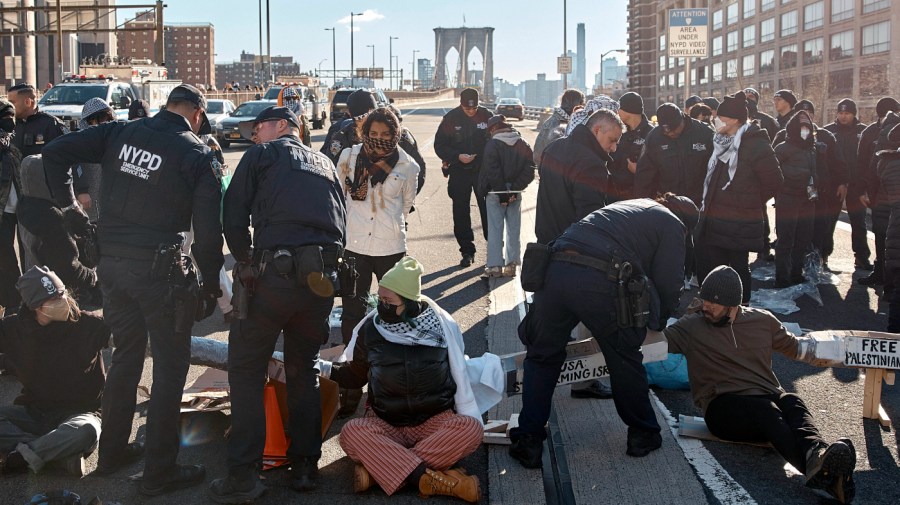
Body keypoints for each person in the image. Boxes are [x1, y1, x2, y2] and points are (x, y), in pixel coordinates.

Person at [41, 84, 224, 496]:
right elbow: (209, 229)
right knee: (170, 366)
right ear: (196, 112)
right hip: (158, 270)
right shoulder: (195, 153)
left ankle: (111, 455)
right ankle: (160, 472)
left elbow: (52, 154)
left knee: (125, 355)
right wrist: (210, 283)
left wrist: (71, 214)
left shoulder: (121, 132)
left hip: (111, 264)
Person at [208, 105, 347, 503]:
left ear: (283, 126)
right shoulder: (325, 162)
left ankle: (243, 476)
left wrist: (246, 260)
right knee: (303, 371)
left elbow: (231, 215)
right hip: (319, 283)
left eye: (259, 127)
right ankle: (305, 467)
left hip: (272, 279)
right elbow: (342, 224)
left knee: (247, 371)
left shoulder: (263, 156)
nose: (253, 135)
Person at [509, 195, 699, 468]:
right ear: (687, 226)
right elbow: (669, 282)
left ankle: (528, 441)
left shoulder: (632, 207)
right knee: (624, 356)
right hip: (600, 280)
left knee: (541, 357)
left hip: (554, 269)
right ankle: (642, 433)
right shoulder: (672, 225)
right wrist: (657, 323)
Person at [663, 266, 856, 504]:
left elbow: (796, 348)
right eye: (704, 300)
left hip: (767, 395)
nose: (706, 307)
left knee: (792, 400)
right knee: (767, 411)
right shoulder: (692, 326)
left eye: (714, 303)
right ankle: (820, 470)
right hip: (721, 406)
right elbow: (656, 346)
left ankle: (820, 456)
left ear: (733, 305)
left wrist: (849, 350)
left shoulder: (763, 321)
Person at [329, 256, 499, 502]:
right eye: (380, 298)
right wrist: (325, 370)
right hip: (386, 422)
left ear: (409, 303)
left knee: (471, 429)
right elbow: (356, 375)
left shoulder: (441, 329)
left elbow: (459, 372)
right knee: (351, 433)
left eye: (388, 301)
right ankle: (431, 479)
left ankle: (380, 472)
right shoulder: (371, 329)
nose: (381, 306)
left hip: (434, 421)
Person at [535, 107, 625, 400]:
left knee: (549, 323)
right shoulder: (591, 164)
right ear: (597, 130)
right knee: (587, 319)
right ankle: (583, 381)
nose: (613, 149)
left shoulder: (554, 148)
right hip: (577, 252)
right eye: (612, 140)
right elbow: (590, 218)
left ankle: (540, 383)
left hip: (547, 243)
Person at [335, 107, 419, 416]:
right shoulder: (348, 156)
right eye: (374, 134)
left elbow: (407, 204)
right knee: (352, 315)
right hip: (354, 246)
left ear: (396, 135)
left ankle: (388, 386)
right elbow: (339, 195)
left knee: (394, 316)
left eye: (386, 135)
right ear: (365, 131)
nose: (379, 140)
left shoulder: (407, 166)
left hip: (390, 248)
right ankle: (351, 386)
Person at [0, 267, 110, 478]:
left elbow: (129, 341)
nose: (62, 302)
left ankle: (24, 456)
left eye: (62, 294)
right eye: (53, 299)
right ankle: (57, 455)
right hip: (35, 413)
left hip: (80, 414)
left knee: (86, 432)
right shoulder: (15, 328)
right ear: (34, 308)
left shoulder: (88, 324)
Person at [695, 91, 783, 303]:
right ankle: (717, 310)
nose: (715, 120)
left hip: (740, 219)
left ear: (733, 119)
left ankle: (740, 310)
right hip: (715, 217)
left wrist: (749, 199)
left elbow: (775, 181)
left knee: (738, 268)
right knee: (715, 268)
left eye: (719, 116)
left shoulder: (755, 143)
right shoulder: (719, 141)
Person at [773, 101, 847, 270]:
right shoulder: (783, 138)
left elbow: (838, 163)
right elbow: (772, 169)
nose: (804, 117)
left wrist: (842, 183)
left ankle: (818, 262)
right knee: (788, 236)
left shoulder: (825, 137)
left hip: (817, 195)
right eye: (800, 112)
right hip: (789, 196)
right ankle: (787, 271)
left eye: (808, 113)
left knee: (818, 231)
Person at [16, 155, 100, 304]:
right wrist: (93, 277)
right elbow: (68, 269)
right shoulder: (52, 219)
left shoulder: (25, 204)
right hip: (65, 296)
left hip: (39, 288)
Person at [323, 90, 426, 195]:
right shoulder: (343, 138)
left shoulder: (399, 135)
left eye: (367, 116)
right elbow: (329, 172)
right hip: (355, 205)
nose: (364, 122)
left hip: (392, 203)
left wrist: (403, 201)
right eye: (358, 118)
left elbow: (419, 169)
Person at [434, 88, 493, 267]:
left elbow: (496, 141)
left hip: (482, 171)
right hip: (459, 170)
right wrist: (457, 156)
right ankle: (467, 251)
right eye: (467, 109)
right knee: (460, 211)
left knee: (488, 210)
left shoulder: (487, 116)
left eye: (474, 108)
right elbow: (440, 145)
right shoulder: (450, 118)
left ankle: (494, 249)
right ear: (461, 105)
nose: (471, 111)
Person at [477, 115, 535, 277]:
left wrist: (503, 194)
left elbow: (492, 171)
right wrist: (515, 190)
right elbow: (529, 169)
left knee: (495, 229)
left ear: (494, 129)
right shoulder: (523, 144)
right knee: (514, 228)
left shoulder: (492, 145)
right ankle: (512, 266)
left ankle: (495, 267)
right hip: (516, 193)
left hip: (495, 192)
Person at [634, 103, 713, 207]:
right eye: (665, 131)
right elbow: (644, 176)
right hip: (668, 205)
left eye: (674, 129)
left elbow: (715, 172)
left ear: (682, 120)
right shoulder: (654, 138)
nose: (670, 133)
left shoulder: (704, 133)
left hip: (699, 204)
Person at [772, 111, 818, 287]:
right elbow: (774, 173)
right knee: (785, 239)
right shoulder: (782, 148)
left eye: (807, 128)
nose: (804, 132)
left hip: (807, 199)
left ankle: (796, 273)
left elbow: (814, 172)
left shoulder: (811, 149)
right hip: (788, 197)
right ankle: (782, 277)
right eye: (801, 128)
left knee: (803, 239)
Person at [858, 97, 900, 286]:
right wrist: (864, 190)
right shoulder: (870, 132)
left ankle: (887, 277)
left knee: (888, 237)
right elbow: (862, 164)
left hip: (885, 194)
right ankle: (881, 272)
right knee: (882, 235)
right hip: (880, 194)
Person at [824, 99, 870, 271]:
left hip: (857, 185)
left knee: (859, 222)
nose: (843, 117)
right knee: (829, 222)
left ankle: (861, 257)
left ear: (854, 114)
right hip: (835, 185)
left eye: (847, 113)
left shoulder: (863, 131)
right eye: (841, 113)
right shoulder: (828, 131)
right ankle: (824, 255)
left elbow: (866, 160)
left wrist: (864, 186)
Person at [73, 98, 116, 223]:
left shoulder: (114, 137)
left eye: (108, 118)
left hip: (111, 203)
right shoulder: (81, 141)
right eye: (102, 118)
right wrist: (82, 191)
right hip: (89, 200)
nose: (106, 122)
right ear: (90, 121)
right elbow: (77, 166)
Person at [608, 91, 652, 202]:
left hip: (639, 199)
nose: (616, 112)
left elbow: (660, 169)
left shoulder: (651, 134)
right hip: (614, 196)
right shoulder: (619, 132)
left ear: (629, 111)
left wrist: (639, 171)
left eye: (619, 108)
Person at [0, 100, 22, 311]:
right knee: (6, 259)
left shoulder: (12, 145)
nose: (10, 123)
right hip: (2, 212)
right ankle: (13, 302)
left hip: (20, 209)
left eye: (12, 118)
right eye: (6, 118)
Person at [533, 89, 585, 165]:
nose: (583, 107)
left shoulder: (566, 121)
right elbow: (538, 155)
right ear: (576, 104)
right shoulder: (556, 124)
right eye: (582, 103)